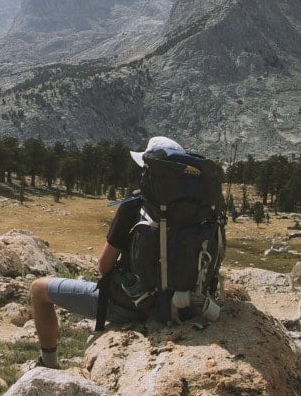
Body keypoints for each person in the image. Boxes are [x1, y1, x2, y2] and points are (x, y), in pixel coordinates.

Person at [28, 136, 184, 368]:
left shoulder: (135, 205)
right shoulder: (197, 209)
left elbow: (104, 266)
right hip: (185, 303)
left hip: (133, 305)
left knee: (39, 289)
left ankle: (48, 362)